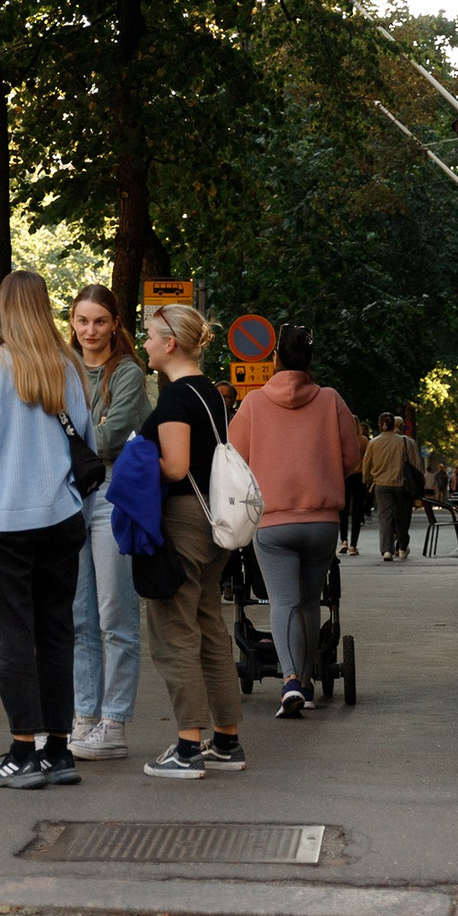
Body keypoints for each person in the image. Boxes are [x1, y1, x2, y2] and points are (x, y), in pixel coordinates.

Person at [0, 270, 93, 791]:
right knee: (57, 634)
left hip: (5, 524)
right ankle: (59, 750)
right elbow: (86, 448)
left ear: (0, 309)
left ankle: (21, 752)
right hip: (61, 518)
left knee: (15, 637)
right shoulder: (68, 367)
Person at [133, 305, 245, 779]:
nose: (145, 344)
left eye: (151, 336)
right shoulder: (210, 394)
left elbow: (175, 467)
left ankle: (186, 747)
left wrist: (133, 465)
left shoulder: (177, 397)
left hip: (181, 523)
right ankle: (227, 740)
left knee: (174, 632)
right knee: (210, 630)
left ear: (170, 344)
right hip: (214, 523)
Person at [227, 326, 362, 719]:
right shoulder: (332, 401)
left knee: (283, 602)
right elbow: (352, 458)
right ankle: (305, 683)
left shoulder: (252, 404)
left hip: (273, 523)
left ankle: (289, 682)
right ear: (310, 362)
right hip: (321, 521)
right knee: (308, 601)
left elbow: (234, 460)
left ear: (275, 360)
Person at [66, 284, 147, 761]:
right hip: (68, 494)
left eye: (99, 321)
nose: (90, 331)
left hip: (110, 493)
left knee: (115, 615)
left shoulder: (128, 372)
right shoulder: (65, 368)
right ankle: (84, 715)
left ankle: (113, 722)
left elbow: (112, 436)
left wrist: (67, 435)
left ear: (115, 323)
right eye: (82, 321)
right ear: (71, 323)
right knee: (79, 618)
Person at [360, 413, 426, 562]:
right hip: (401, 483)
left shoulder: (374, 443)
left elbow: (367, 464)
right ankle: (402, 547)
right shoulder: (405, 442)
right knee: (402, 517)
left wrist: (367, 480)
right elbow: (417, 465)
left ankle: (386, 551)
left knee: (385, 517)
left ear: (380, 424)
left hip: (381, 485)